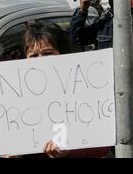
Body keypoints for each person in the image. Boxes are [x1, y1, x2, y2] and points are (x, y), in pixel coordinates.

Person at [71, 0, 133, 128]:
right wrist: (82, 10)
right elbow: (76, 38)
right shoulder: (102, 26)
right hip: (106, 96)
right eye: (114, 2)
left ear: (130, 4)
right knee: (110, 138)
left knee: (131, 140)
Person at [23, 23, 110, 158]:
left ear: (62, 54)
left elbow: (102, 146)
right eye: (33, 55)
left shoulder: (83, 87)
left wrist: (69, 152)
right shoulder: (15, 92)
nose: (40, 61)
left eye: (47, 53)